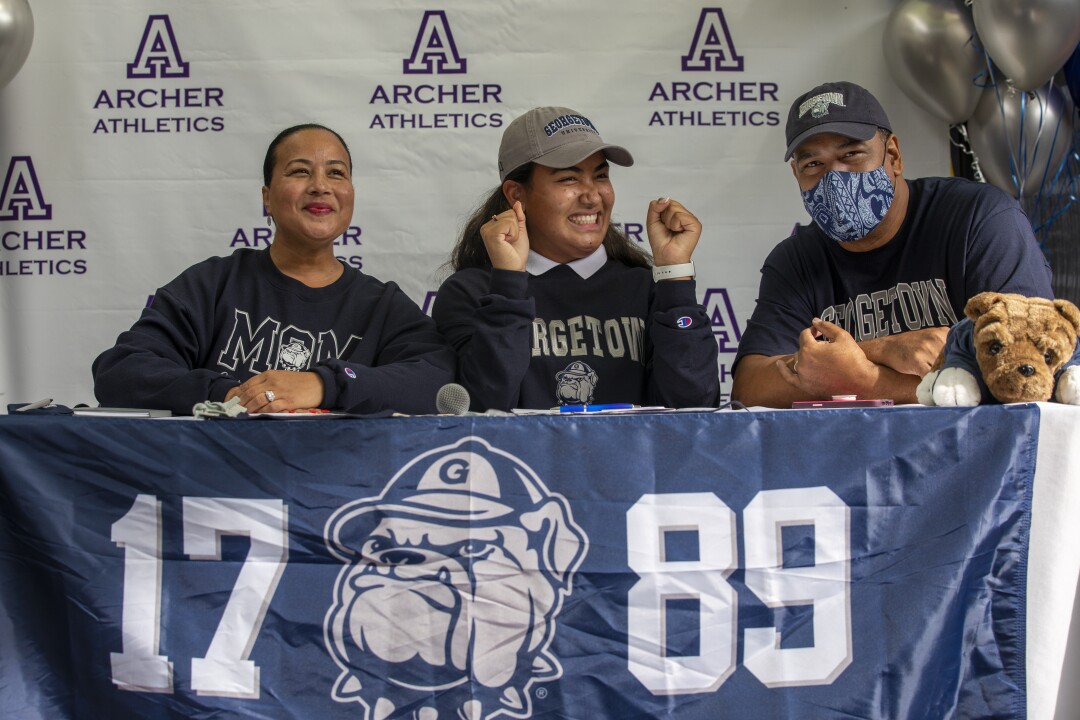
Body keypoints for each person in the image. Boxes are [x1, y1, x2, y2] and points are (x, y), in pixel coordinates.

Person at [93, 123, 456, 415]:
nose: (320, 186)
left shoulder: (382, 305)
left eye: (336, 173)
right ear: (267, 197)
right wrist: (233, 394)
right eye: (300, 171)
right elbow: (121, 371)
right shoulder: (213, 284)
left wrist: (323, 385)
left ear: (351, 195)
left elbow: (440, 381)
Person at [731, 81, 1054, 408]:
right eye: (813, 164)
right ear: (796, 174)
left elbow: (1024, 368)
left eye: (852, 154)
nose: (834, 178)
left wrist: (862, 380)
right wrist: (878, 349)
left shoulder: (979, 219)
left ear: (894, 156)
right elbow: (750, 386)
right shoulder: (796, 258)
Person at [433, 106, 720, 411]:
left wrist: (675, 277)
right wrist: (508, 285)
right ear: (517, 194)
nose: (592, 196)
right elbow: (479, 412)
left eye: (601, 176)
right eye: (569, 179)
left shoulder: (647, 288)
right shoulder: (471, 292)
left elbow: (695, 411)